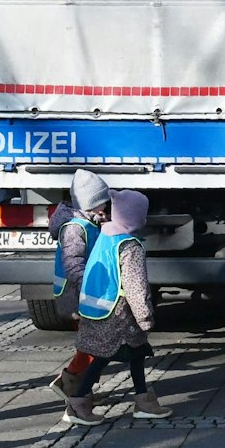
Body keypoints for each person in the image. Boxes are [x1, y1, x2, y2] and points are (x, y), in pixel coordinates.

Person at [65, 190, 168, 425]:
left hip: (100, 309)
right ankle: (78, 401)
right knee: (105, 355)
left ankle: (144, 401)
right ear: (136, 216)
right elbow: (136, 287)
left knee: (137, 352)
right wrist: (145, 317)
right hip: (119, 313)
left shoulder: (107, 236)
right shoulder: (130, 246)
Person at [47, 170, 111, 398]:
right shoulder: (75, 228)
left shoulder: (89, 224)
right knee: (92, 345)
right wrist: (89, 288)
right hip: (75, 297)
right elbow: (74, 265)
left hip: (83, 296)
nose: (105, 208)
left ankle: (80, 386)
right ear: (89, 204)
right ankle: (70, 384)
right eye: (102, 203)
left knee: (92, 343)